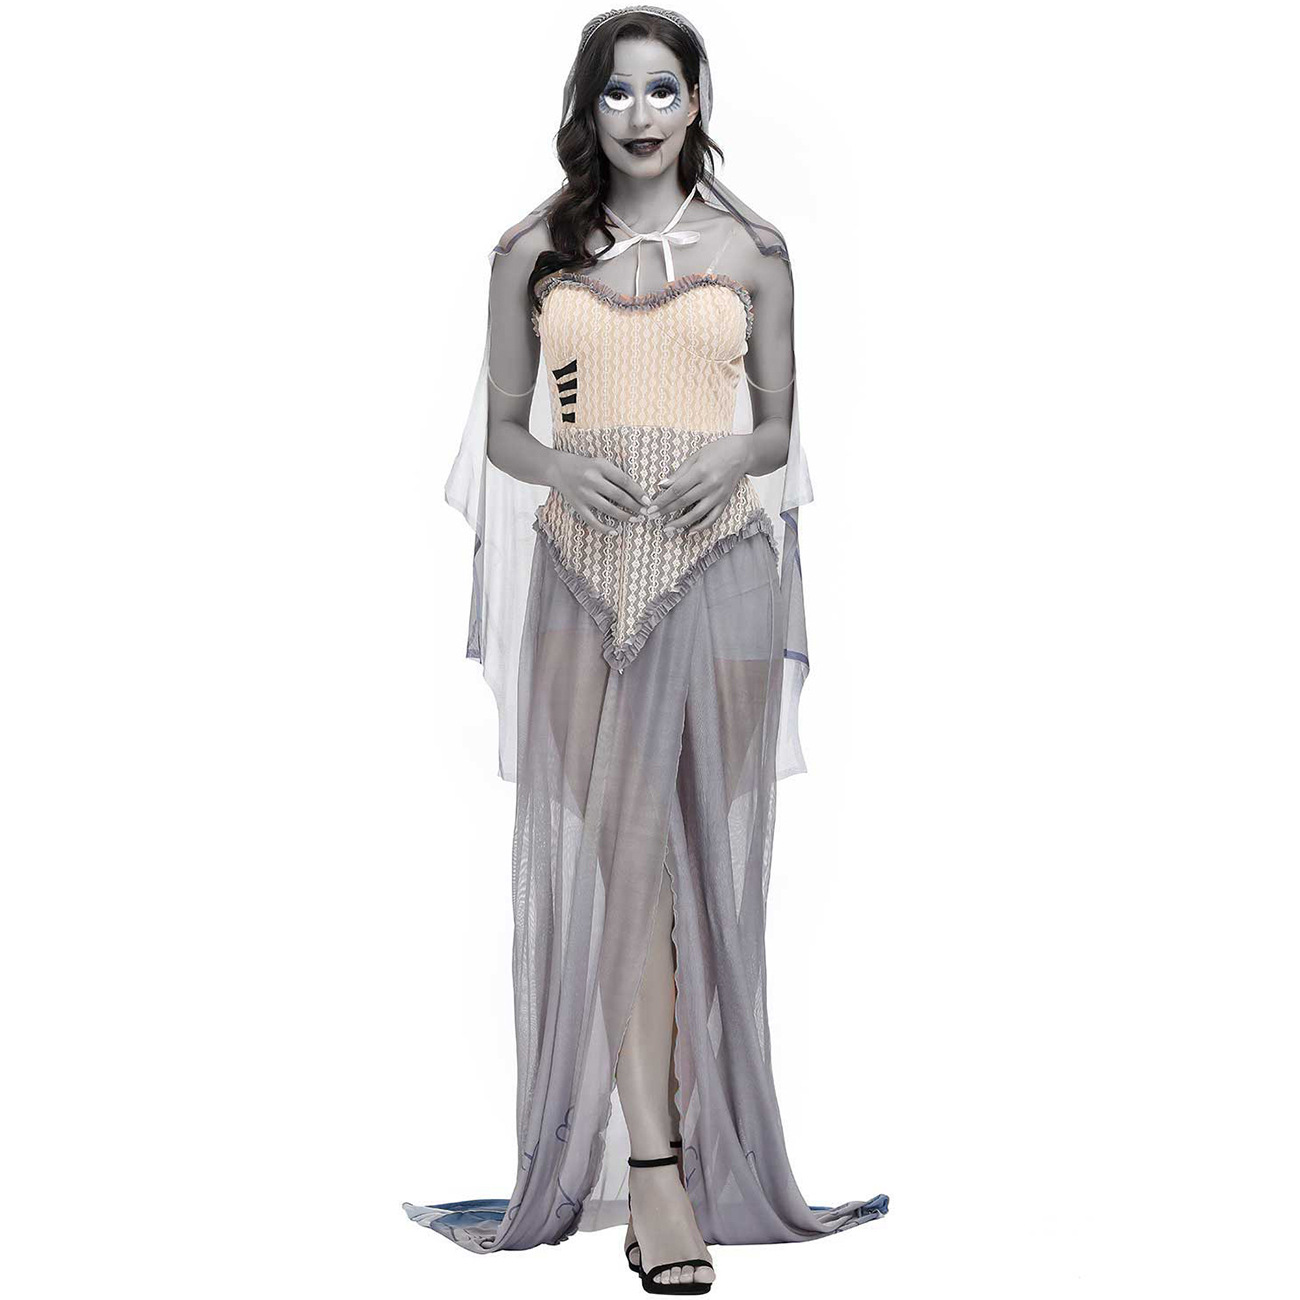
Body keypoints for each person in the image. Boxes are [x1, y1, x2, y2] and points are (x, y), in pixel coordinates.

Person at [404, 8, 888, 1293]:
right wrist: (562, 466)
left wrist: (735, 453)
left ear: (695, 100)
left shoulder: (755, 251)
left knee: (697, 874)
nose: (638, 114)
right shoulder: (530, 252)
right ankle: (657, 1177)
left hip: (723, 571)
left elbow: (777, 426)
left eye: (661, 89)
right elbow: (504, 431)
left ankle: (699, 1146)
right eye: (614, 92)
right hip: (581, 573)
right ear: (587, 106)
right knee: (625, 876)